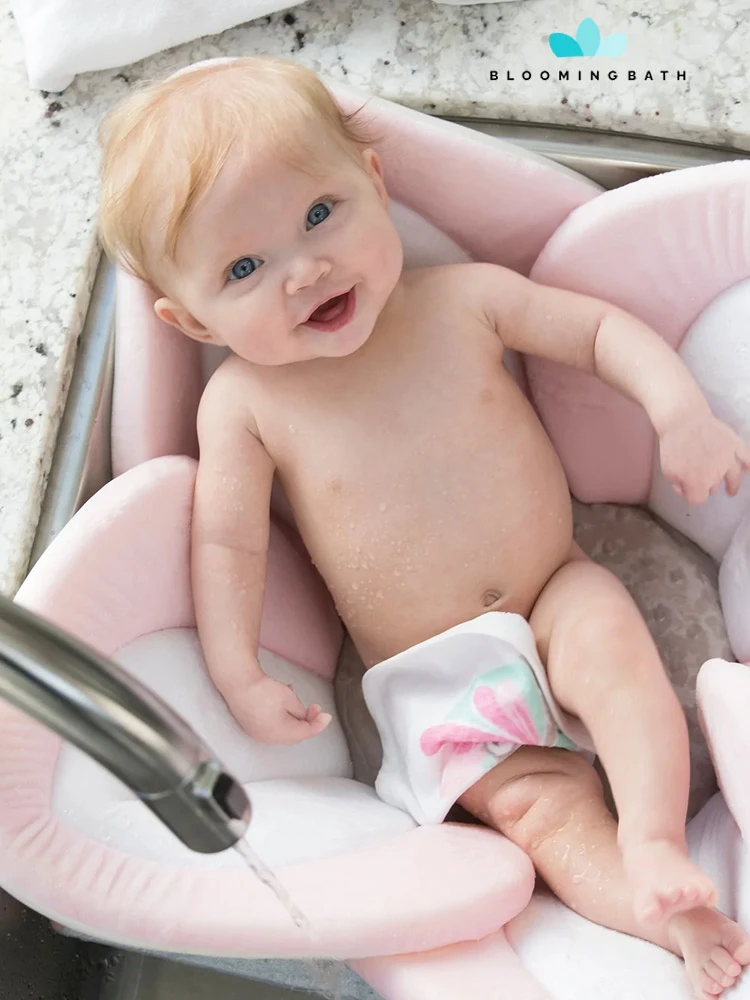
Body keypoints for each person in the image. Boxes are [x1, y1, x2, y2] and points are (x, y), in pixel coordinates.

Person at [98, 56, 750, 997]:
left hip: (553, 586)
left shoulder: (463, 300)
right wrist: (238, 673)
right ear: (193, 322)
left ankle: (653, 841)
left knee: (615, 657)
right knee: (538, 813)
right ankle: (658, 913)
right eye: (244, 268)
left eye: (319, 214)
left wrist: (680, 413)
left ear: (375, 182)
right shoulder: (242, 403)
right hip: (435, 673)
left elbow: (598, 333)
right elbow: (228, 542)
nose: (306, 270)